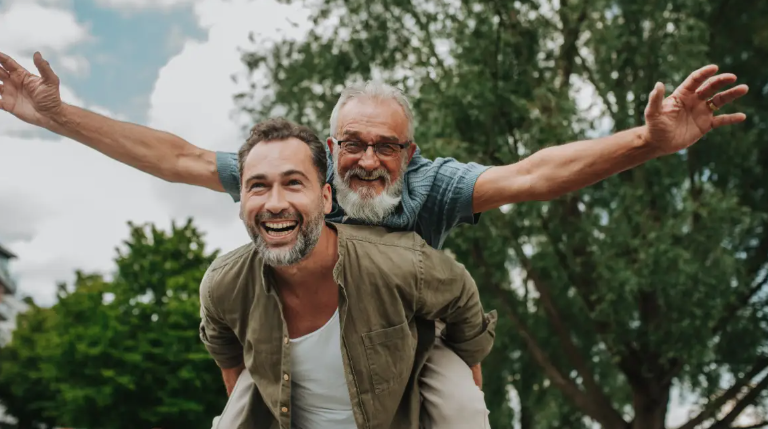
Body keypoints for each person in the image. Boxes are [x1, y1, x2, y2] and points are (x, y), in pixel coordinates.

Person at [0, 50, 749, 425]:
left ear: (409, 153)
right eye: (352, 144)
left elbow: (534, 174)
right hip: (300, 335)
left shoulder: (434, 186)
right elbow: (178, 158)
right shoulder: (291, 179)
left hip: (414, 336)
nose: (366, 159)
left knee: (465, 411)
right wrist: (59, 116)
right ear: (328, 154)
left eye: (385, 146)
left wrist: (647, 142)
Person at [200, 117, 496, 429]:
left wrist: (465, 389)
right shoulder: (223, 286)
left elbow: (461, 298)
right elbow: (227, 357)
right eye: (258, 186)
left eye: (293, 183)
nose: (275, 204)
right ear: (241, 203)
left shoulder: (401, 262)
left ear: (326, 198)